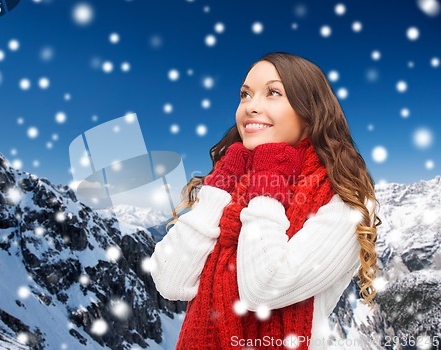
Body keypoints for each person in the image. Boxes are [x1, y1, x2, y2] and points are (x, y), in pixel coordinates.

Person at [149, 52, 380, 350]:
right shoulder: (231, 184)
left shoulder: (342, 203)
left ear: (310, 113)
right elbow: (170, 281)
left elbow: (263, 288)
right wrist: (221, 184)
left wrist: (268, 179)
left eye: (273, 93)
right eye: (245, 94)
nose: (251, 107)